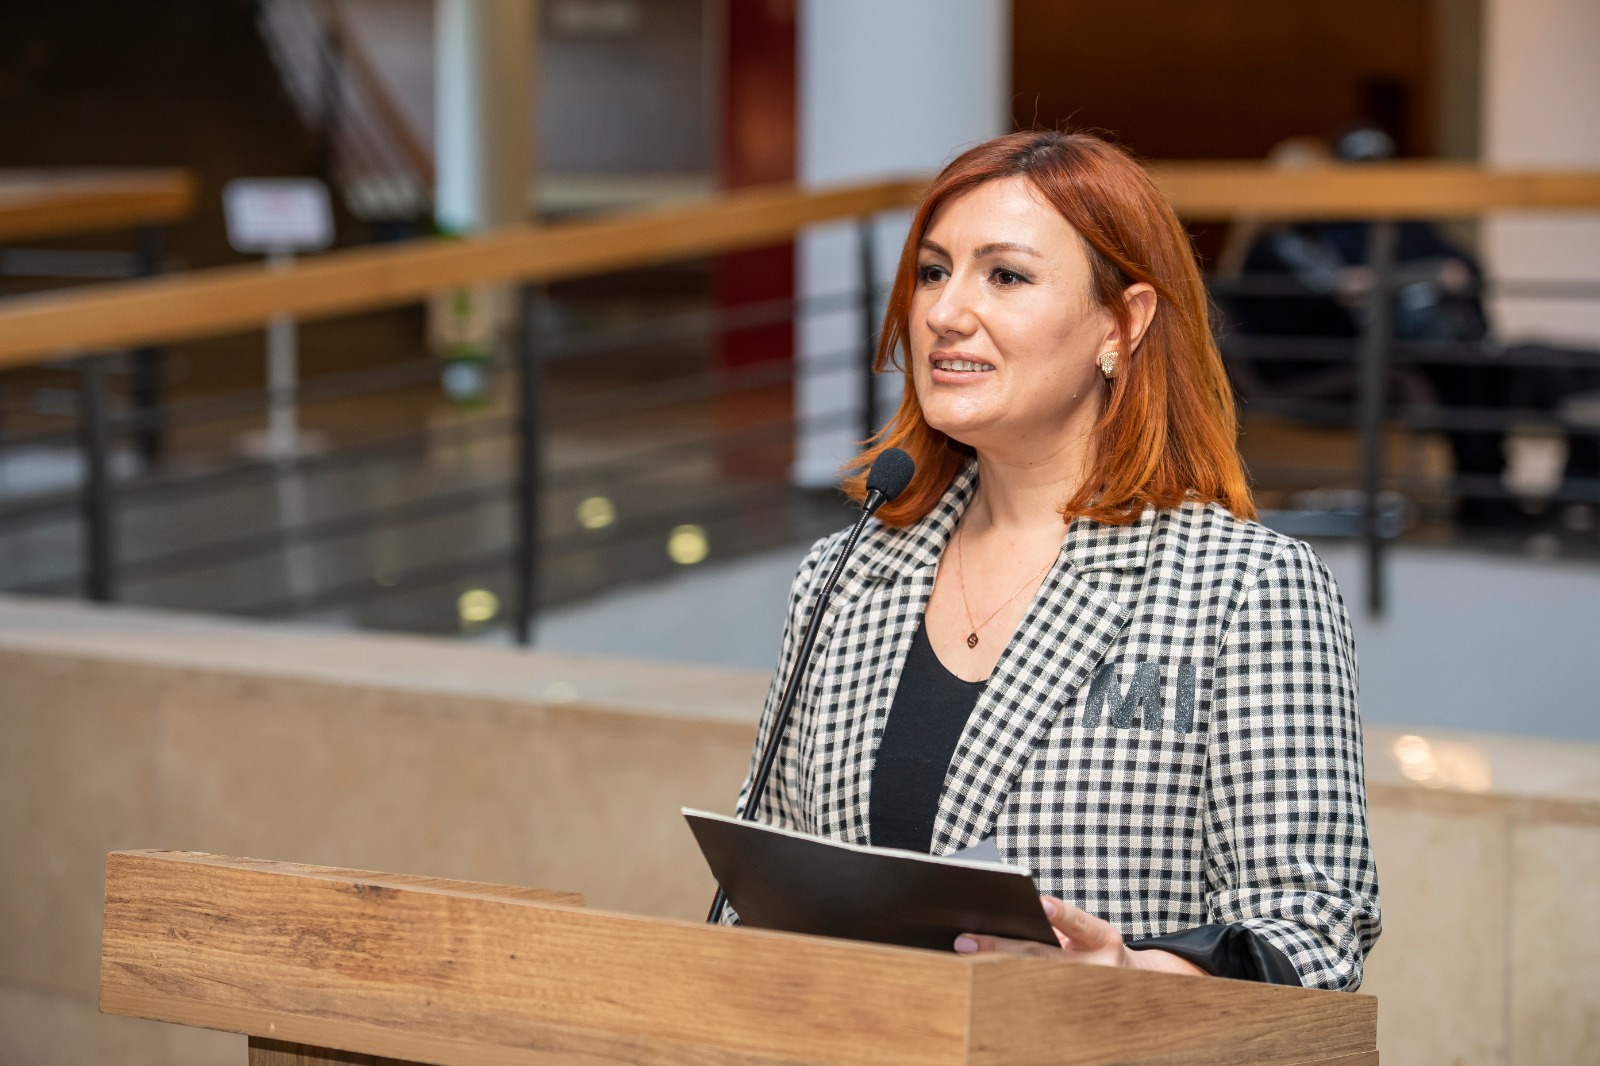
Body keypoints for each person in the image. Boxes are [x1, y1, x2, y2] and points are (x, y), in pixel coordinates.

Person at [728, 129, 1381, 990]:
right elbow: (757, 893)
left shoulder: (1245, 588)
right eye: (933, 271)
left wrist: (1128, 972)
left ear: (1123, 322)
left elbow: (1313, 931)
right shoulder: (844, 575)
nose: (946, 312)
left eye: (1005, 276)